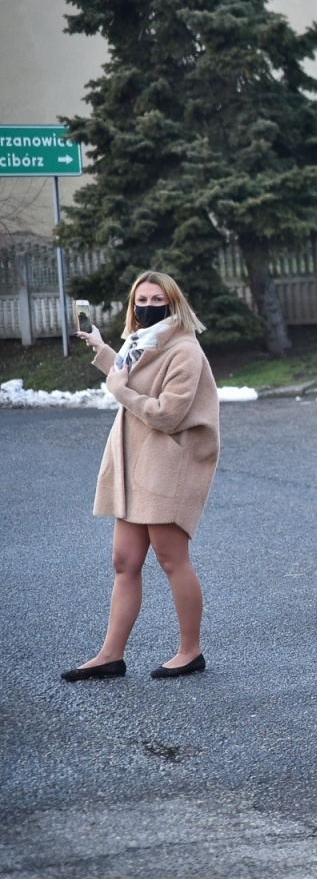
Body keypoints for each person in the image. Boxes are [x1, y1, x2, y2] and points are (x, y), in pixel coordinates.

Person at [63, 271, 220, 682]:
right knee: (124, 561)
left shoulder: (184, 349)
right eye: (141, 299)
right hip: (137, 468)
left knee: (171, 559)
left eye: (156, 299)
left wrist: (120, 392)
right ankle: (110, 655)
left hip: (169, 467)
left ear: (173, 303)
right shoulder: (141, 342)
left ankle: (190, 651)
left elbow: (168, 412)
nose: (147, 306)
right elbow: (126, 373)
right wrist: (100, 348)